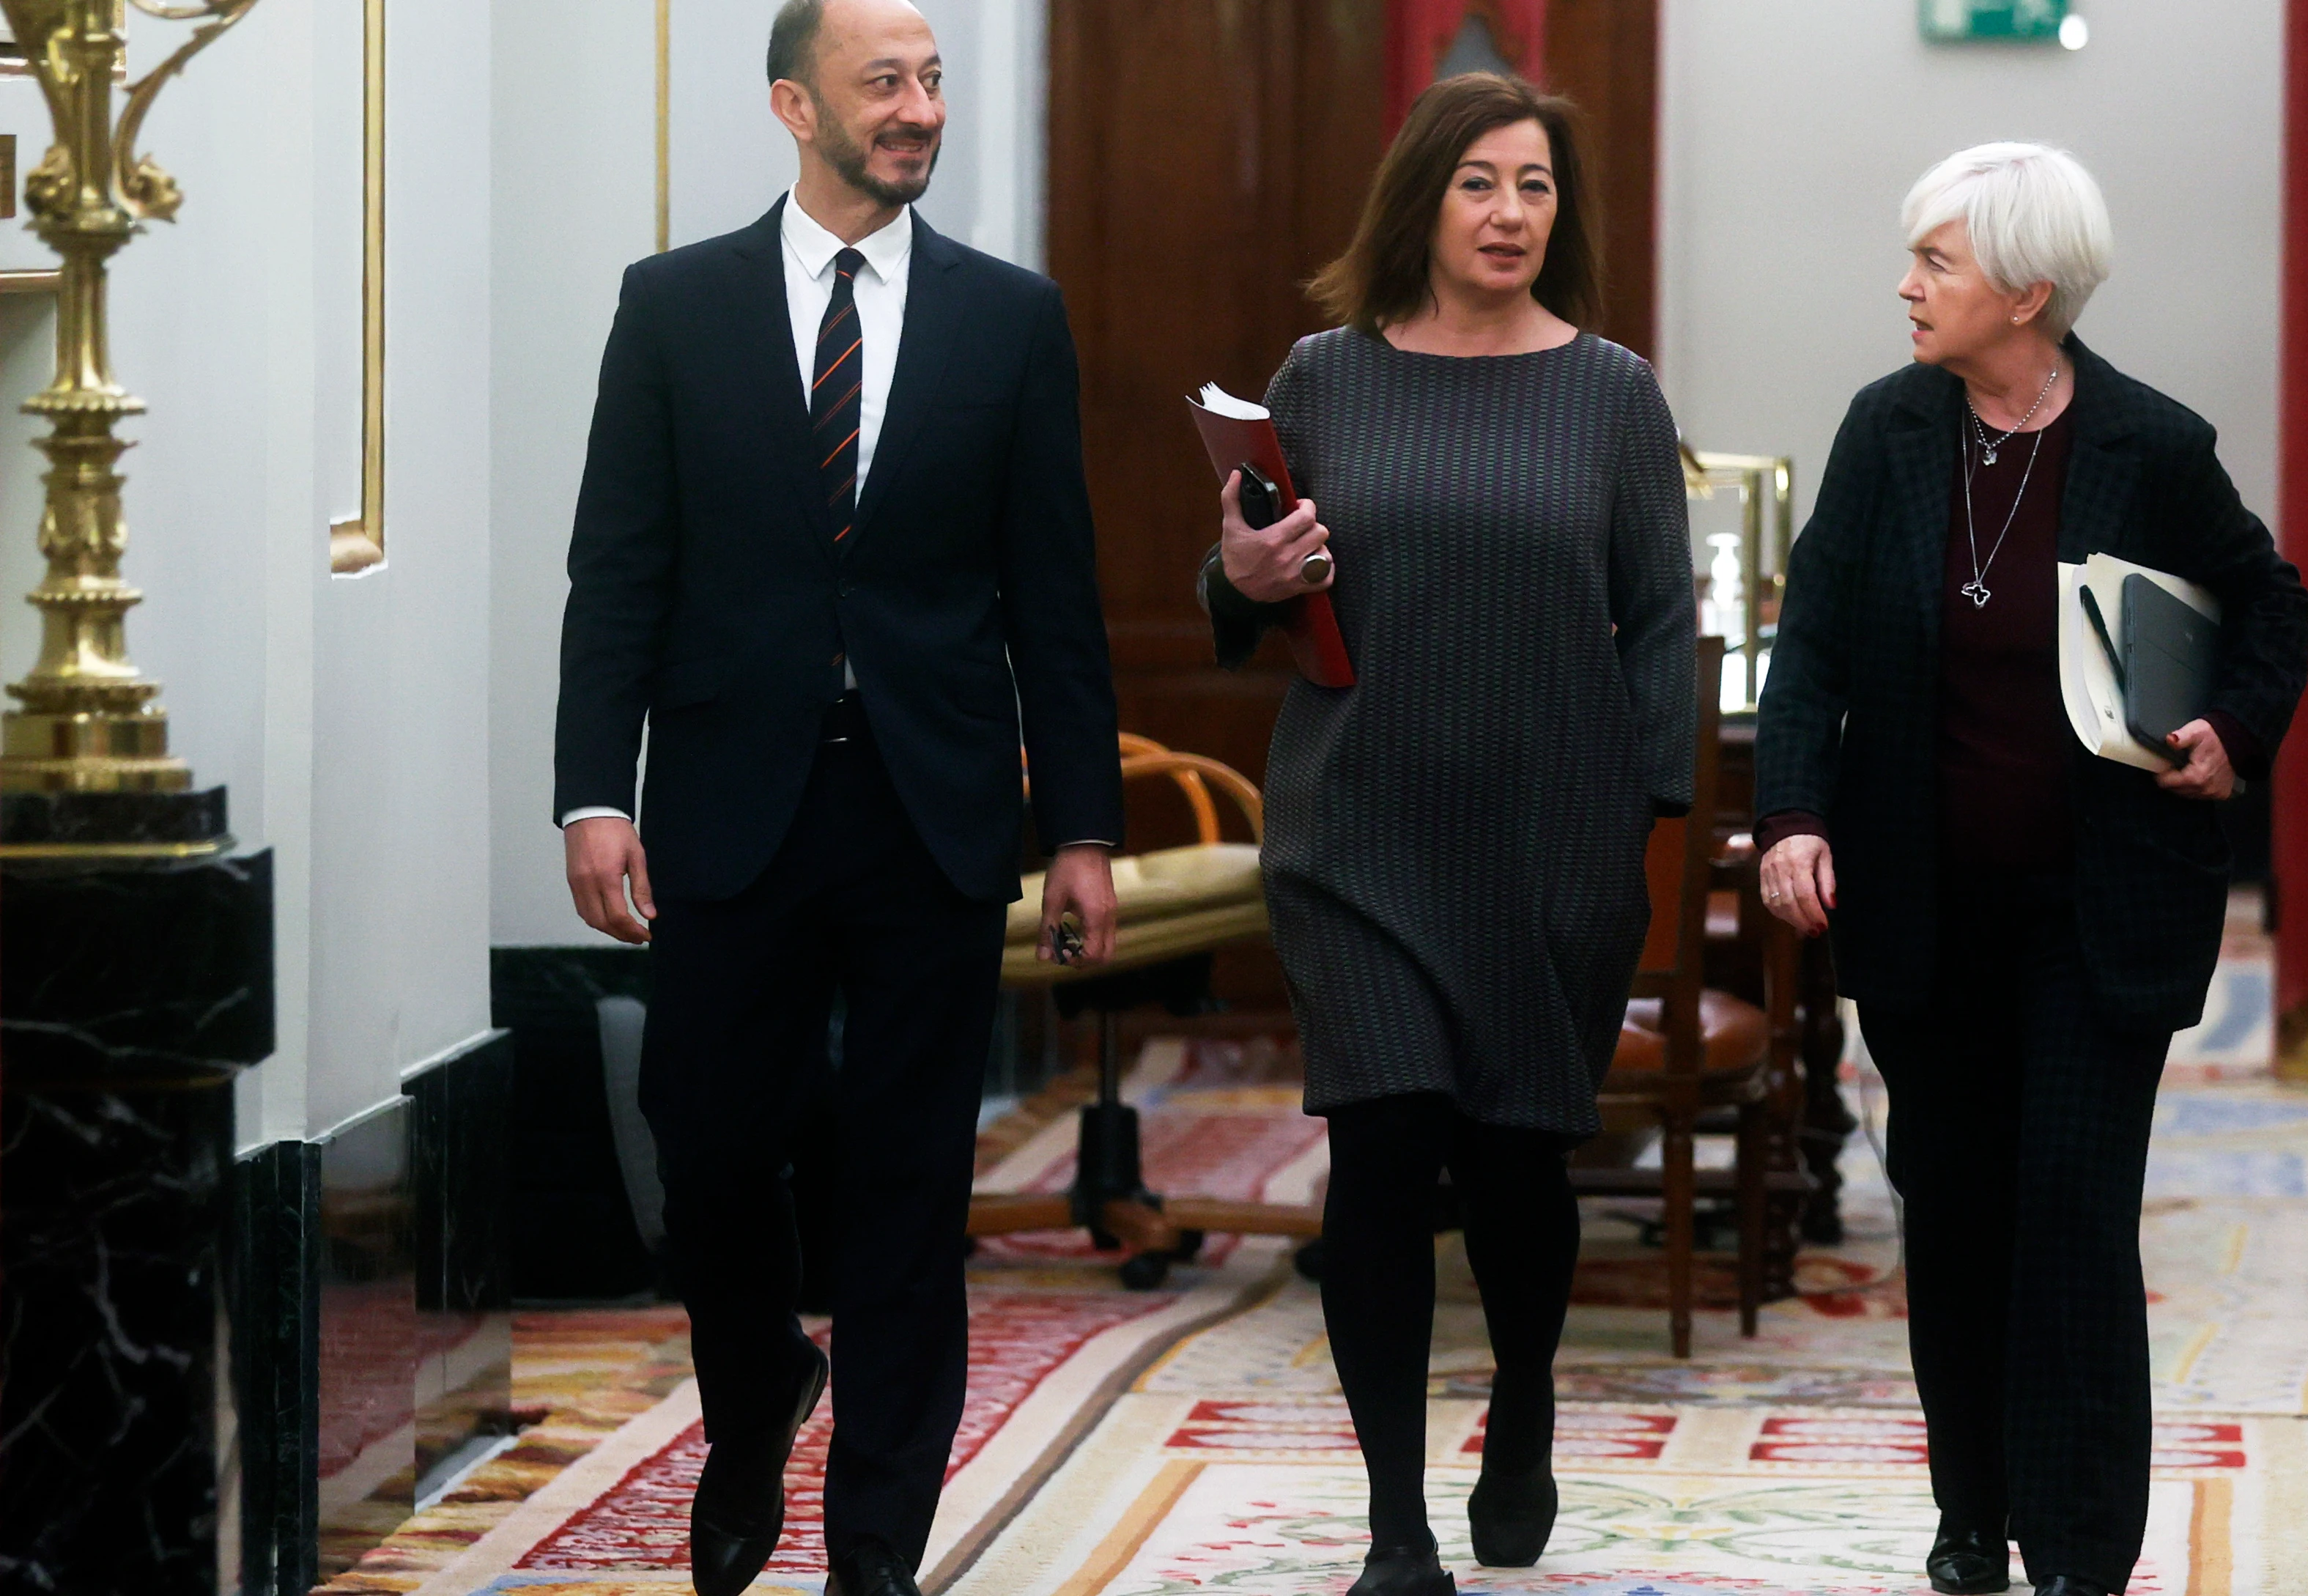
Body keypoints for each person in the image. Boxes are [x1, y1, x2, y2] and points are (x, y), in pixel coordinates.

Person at [551, 2, 1122, 1593]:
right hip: (731, 801)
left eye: (933, 81)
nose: (920, 110)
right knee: (709, 1147)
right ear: (795, 106)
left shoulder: (1011, 322)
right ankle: (753, 1409)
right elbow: (619, 573)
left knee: (906, 1181)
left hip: (931, 810)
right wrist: (595, 793)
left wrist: (1079, 830)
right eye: (888, 84)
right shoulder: (673, 309)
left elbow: (1052, 599)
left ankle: (873, 1546)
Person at [1752, 144, 2308, 1596]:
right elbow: (1807, 650)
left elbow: (2272, 604)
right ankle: (1967, 1515)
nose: (1905, 284)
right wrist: (1796, 817)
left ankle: (2076, 1552)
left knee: (2069, 1219)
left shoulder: (2151, 444)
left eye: (1934, 262)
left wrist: (2231, 735)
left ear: (2026, 291)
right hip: (1926, 910)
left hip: (2093, 913)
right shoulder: (1884, 434)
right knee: (1952, 1216)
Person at [1199, 72, 1695, 1596]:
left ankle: (1526, 1404)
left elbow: (1663, 625)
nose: (1508, 213)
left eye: (1534, 187)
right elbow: (1240, 596)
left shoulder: (1610, 392)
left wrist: (1643, 824)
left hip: (1548, 836)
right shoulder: (1321, 379)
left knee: (1514, 1173)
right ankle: (1394, 1527)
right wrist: (1244, 570)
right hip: (1356, 828)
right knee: (1384, 1142)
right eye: (1479, 182)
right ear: (1421, 199)